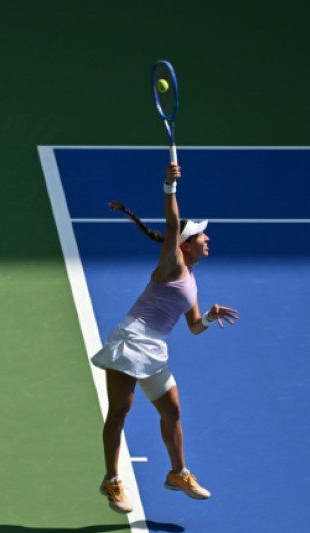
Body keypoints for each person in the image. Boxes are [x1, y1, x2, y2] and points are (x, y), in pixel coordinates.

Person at [94, 162, 238, 514]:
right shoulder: (172, 264)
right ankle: (111, 481)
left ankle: (177, 473)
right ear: (185, 245)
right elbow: (173, 223)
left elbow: (193, 326)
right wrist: (169, 185)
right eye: (201, 236)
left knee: (172, 410)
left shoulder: (190, 280)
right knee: (121, 412)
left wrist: (209, 316)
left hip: (155, 347)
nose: (207, 240)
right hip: (132, 340)